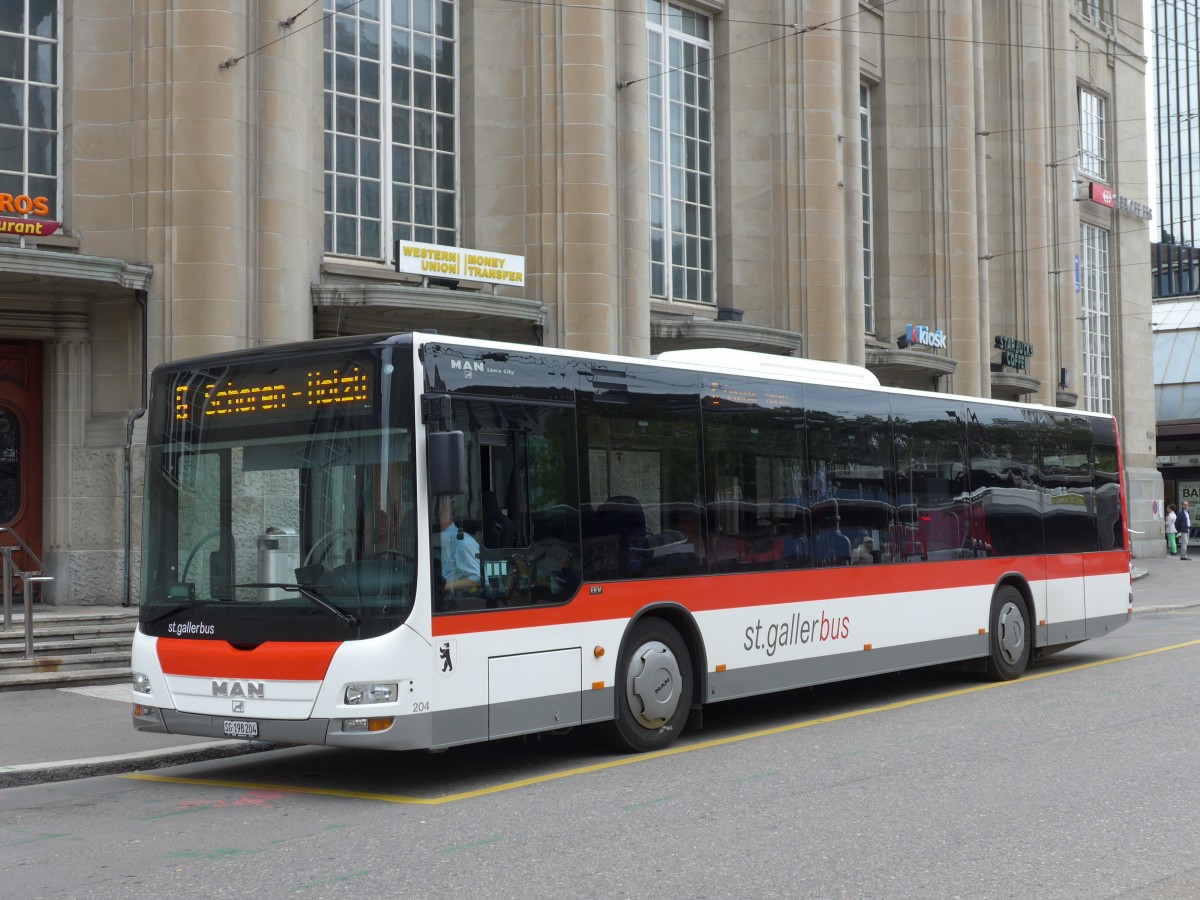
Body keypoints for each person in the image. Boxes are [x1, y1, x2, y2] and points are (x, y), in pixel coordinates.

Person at [437, 498, 481, 595]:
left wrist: (445, 586)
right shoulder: (435, 538)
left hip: (450, 600)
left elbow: (477, 578)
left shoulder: (463, 543)